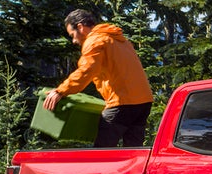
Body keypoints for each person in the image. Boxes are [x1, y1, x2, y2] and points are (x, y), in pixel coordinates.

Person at [45, 9, 154, 147]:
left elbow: (86, 71)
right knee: (133, 153)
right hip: (143, 103)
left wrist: (60, 91)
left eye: (72, 35)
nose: (73, 40)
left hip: (122, 102)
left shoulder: (95, 41)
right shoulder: (118, 39)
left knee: (102, 153)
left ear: (80, 27)